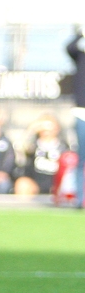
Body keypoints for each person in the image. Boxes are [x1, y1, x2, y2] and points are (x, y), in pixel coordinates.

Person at [14, 114, 69, 196]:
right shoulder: (32, 145)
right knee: (22, 183)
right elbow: (18, 146)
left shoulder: (64, 147)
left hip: (58, 183)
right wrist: (31, 130)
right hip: (36, 182)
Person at [68, 27, 85, 208]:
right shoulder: (81, 57)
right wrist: (80, 33)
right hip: (82, 114)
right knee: (82, 159)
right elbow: (70, 47)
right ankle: (80, 200)